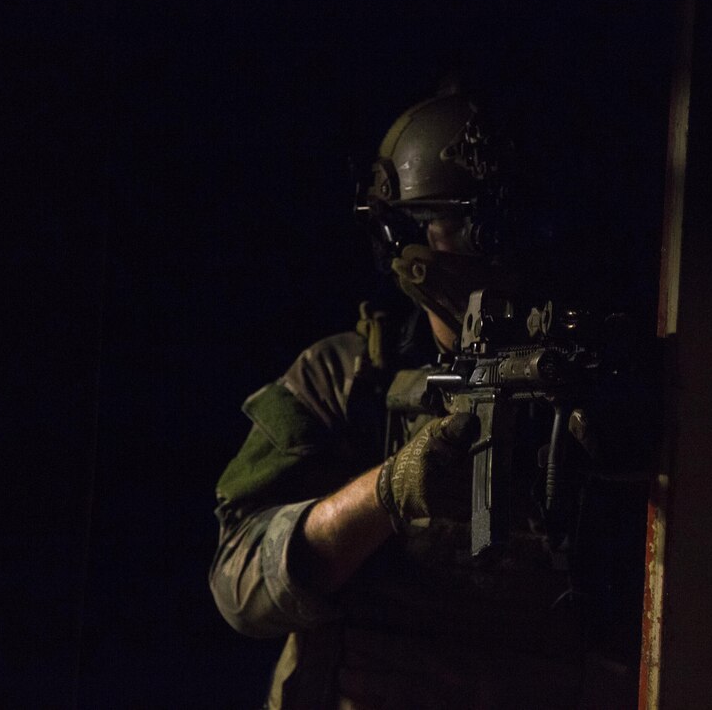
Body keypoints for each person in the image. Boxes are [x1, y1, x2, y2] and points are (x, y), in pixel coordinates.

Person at [209, 89, 646, 709]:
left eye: (498, 226)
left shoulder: (597, 378)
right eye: (460, 225)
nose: (485, 251)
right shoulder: (348, 379)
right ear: (403, 238)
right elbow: (238, 586)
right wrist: (386, 493)